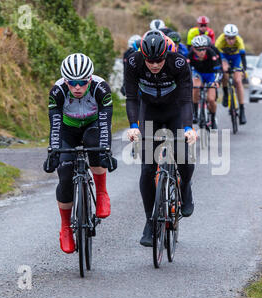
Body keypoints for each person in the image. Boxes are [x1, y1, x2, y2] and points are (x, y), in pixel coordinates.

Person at [124, 30, 197, 247]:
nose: (154, 65)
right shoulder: (133, 62)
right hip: (150, 112)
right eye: (150, 60)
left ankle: (185, 188)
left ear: (167, 55)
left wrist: (188, 127)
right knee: (147, 169)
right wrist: (134, 126)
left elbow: (185, 99)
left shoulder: (179, 63)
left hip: (175, 111)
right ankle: (150, 221)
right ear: (142, 55)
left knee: (182, 155)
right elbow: (130, 97)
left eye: (159, 60)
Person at [43, 53, 117, 254]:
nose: (77, 87)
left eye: (82, 82)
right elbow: (55, 125)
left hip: (93, 126)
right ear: (66, 81)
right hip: (67, 130)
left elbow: (105, 124)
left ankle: (101, 193)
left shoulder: (101, 89)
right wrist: (53, 152)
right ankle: (65, 227)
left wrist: (106, 151)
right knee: (65, 175)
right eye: (73, 83)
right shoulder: (57, 91)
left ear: (90, 79)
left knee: (97, 148)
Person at [215, 24, 248, 125]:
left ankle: (242, 110)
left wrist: (243, 70)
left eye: (233, 38)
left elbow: (243, 58)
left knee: (238, 81)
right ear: (225, 36)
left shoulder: (239, 41)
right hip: (223, 56)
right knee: (224, 71)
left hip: (236, 57)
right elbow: (216, 56)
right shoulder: (219, 41)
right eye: (229, 38)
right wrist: (219, 68)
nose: (231, 40)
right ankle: (225, 93)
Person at [187, 35, 222, 128]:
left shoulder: (211, 53)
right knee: (195, 87)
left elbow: (219, 70)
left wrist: (217, 81)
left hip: (211, 74)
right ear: (194, 49)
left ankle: (213, 118)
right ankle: (194, 113)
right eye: (198, 49)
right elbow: (186, 71)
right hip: (199, 74)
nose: (201, 52)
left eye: (203, 49)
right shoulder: (190, 55)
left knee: (211, 99)